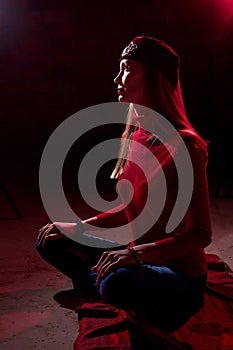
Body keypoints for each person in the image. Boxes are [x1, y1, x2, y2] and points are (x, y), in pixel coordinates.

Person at [36, 36, 212, 331]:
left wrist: (135, 255)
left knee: (118, 282)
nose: (117, 78)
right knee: (50, 239)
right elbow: (129, 209)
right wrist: (78, 227)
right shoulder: (132, 137)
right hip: (136, 255)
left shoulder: (185, 147)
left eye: (127, 68)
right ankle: (104, 285)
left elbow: (200, 234)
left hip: (176, 272)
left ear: (155, 78)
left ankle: (106, 287)